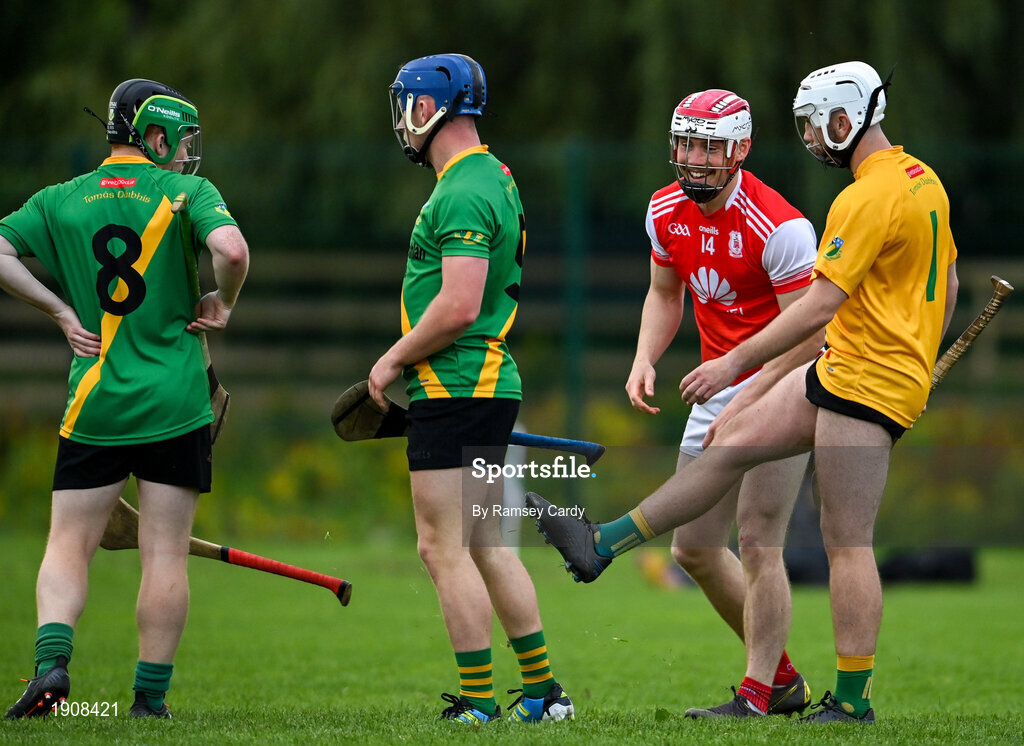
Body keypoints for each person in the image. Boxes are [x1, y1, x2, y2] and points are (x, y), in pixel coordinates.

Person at [529, 61, 958, 724]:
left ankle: (846, 702)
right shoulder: (922, 181)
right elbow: (949, 281)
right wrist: (922, 355)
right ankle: (601, 542)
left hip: (853, 376)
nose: (812, 140)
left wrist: (738, 370)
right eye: (687, 143)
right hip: (847, 370)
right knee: (724, 453)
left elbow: (816, 312)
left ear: (845, 120)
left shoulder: (849, 203)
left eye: (816, 126)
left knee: (836, 540)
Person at [1, 78, 249, 719]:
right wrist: (225, 300)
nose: (188, 154)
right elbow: (231, 249)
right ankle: (148, 703)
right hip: (175, 401)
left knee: (67, 544)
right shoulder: (188, 192)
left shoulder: (62, 197)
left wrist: (58, 310)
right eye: (181, 140)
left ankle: (52, 667)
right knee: (165, 553)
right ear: (155, 134)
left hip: (95, 403)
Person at [367, 53, 573, 724]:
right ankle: (542, 694)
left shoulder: (460, 189)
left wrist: (390, 361)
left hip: (456, 385)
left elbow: (458, 305)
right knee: (485, 542)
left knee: (442, 545)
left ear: (429, 109)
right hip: (481, 384)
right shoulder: (495, 176)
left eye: (407, 106)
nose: (402, 121)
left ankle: (481, 703)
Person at [625, 89, 822, 718]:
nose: (695, 158)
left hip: (785, 386)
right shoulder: (664, 208)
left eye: (709, 145)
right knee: (693, 550)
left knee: (760, 539)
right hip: (719, 386)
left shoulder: (781, 226)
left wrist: (749, 392)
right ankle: (784, 679)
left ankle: (758, 694)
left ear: (740, 148)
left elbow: (809, 339)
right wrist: (644, 358)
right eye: (686, 143)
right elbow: (664, 293)